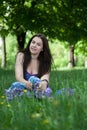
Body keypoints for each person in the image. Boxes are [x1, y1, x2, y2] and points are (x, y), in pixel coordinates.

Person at [5, 33, 53, 101]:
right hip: (24, 86)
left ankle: (38, 96)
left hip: (37, 89)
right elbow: (19, 77)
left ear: (42, 49)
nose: (34, 45)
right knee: (16, 85)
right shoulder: (21, 56)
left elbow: (45, 79)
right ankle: (36, 97)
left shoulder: (45, 61)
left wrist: (43, 84)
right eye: (33, 42)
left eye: (38, 44)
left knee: (35, 80)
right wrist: (26, 83)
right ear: (30, 43)